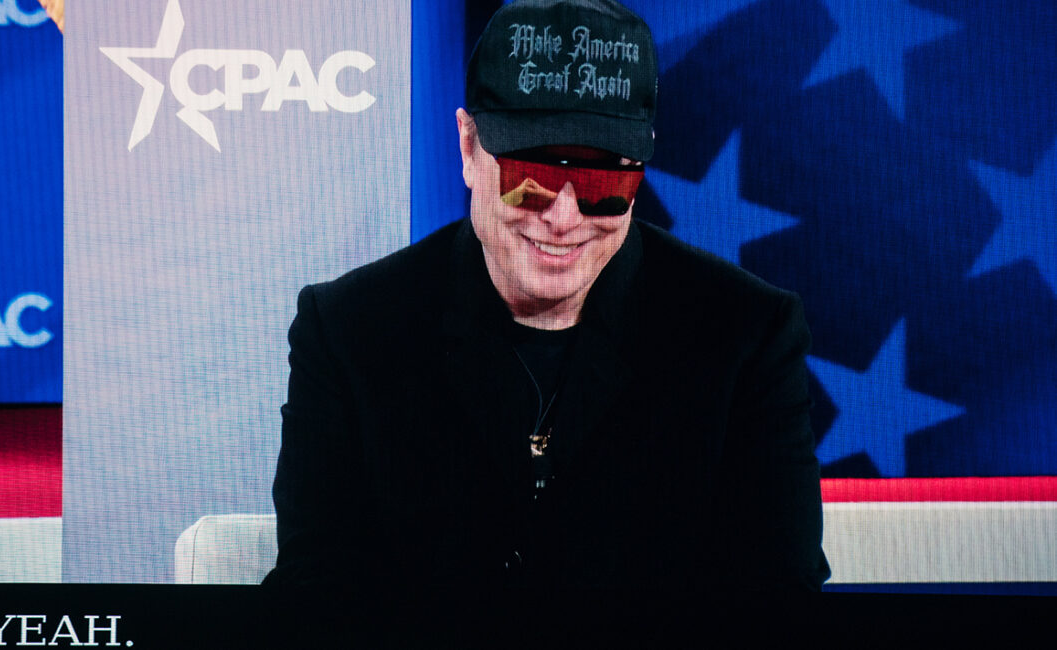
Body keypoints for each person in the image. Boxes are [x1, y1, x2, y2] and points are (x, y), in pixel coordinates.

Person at [265, 0, 830, 637]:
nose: (563, 218)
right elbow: (316, 600)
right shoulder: (350, 332)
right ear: (469, 147)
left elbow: (780, 603)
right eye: (530, 176)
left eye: (602, 185)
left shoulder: (746, 335)